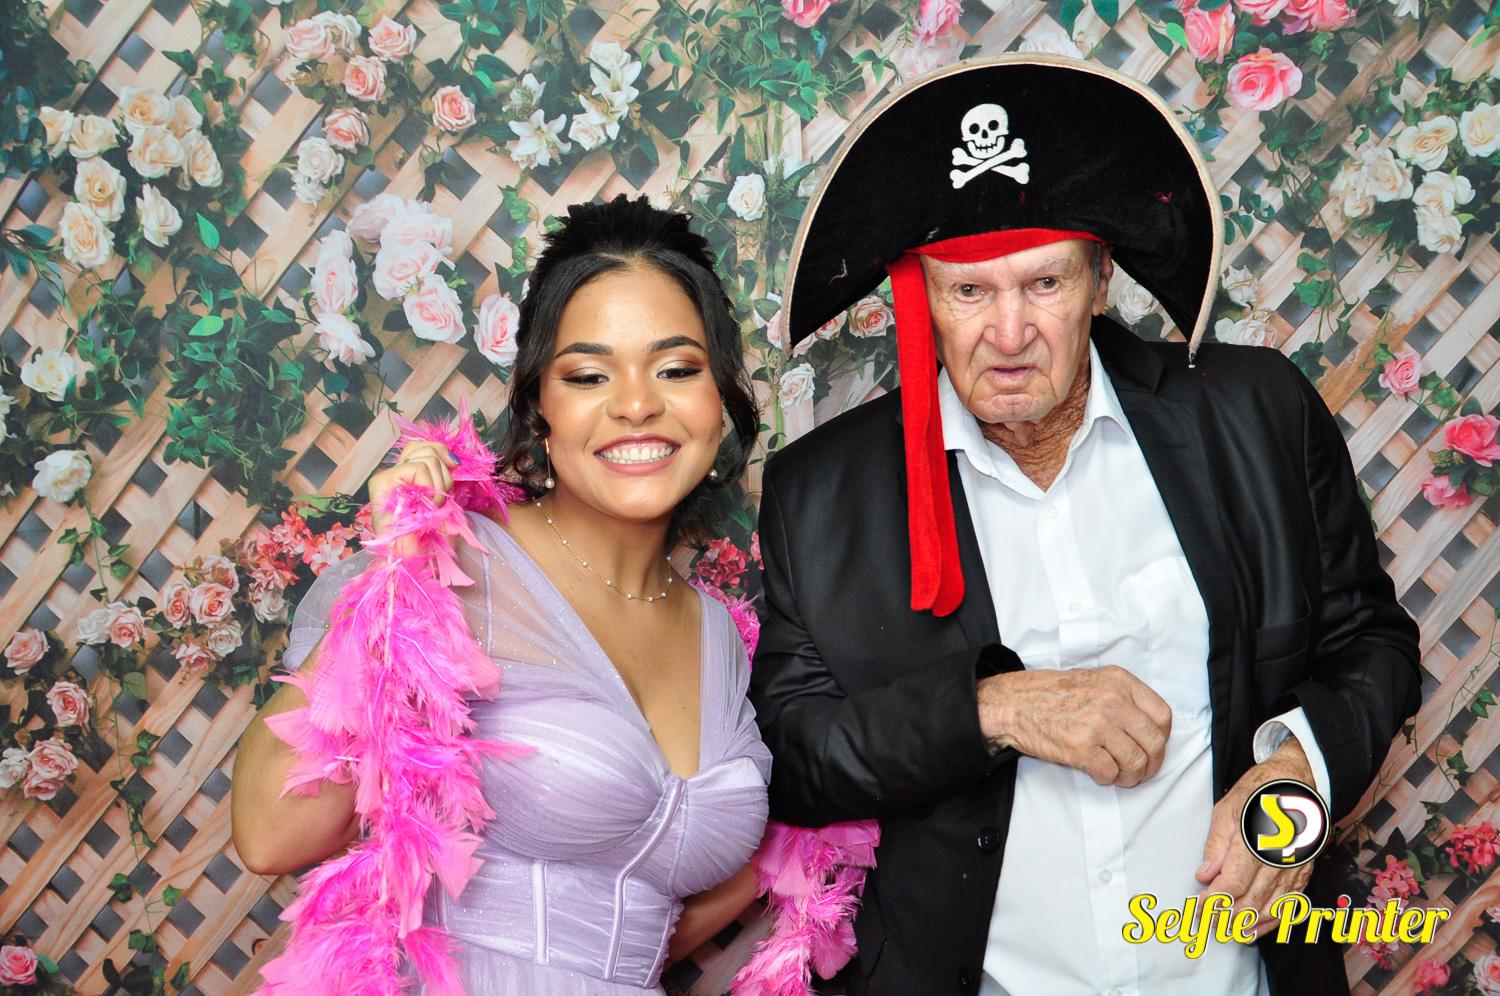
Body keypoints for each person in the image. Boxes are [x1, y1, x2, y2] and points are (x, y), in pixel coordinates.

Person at [748, 55, 1421, 995]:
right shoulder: (821, 496)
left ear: (1101, 279)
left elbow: (1370, 645)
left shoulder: (1254, 414)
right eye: (970, 292)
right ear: (920, 298)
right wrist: (997, 709)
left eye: (1044, 285)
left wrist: (1300, 768)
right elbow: (792, 754)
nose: (1009, 333)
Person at [231, 194, 771, 993]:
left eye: (676, 369)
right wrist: (395, 582)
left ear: (719, 397)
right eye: (589, 375)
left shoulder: (723, 634)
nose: (636, 404)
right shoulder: (453, 565)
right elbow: (270, 837)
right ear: (538, 405)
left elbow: (653, 901)